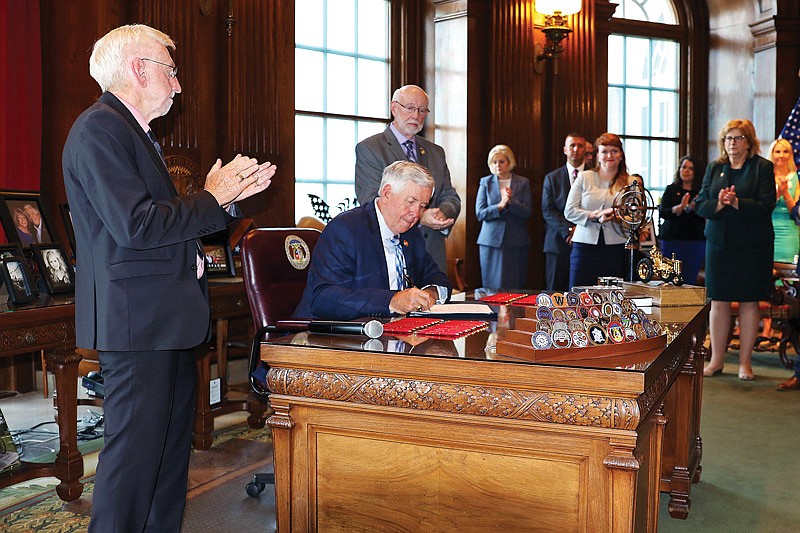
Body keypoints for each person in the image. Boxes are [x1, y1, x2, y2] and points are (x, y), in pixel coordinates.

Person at [61, 24, 276, 532]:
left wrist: (221, 199)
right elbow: (137, 226)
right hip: (138, 327)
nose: (178, 85)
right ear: (138, 68)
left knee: (165, 467)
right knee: (132, 469)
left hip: (166, 322)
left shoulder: (134, 133)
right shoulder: (100, 129)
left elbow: (166, 221)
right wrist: (212, 197)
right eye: (171, 70)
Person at [296, 161, 451, 320]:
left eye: (422, 206)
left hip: (392, 333)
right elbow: (324, 298)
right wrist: (391, 301)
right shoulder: (345, 229)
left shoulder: (411, 234)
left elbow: (436, 277)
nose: (416, 213)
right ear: (387, 193)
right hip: (328, 336)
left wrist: (431, 293)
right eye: (410, 202)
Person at [694, 119, 775, 381]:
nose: (732, 143)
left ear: (749, 142)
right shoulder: (715, 168)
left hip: (752, 246)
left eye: (738, 138)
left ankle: (745, 363)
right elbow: (701, 204)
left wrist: (737, 202)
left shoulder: (762, 167)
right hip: (719, 244)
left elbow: (766, 205)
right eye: (728, 138)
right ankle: (716, 360)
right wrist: (719, 203)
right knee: (719, 301)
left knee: (749, 302)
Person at [355, 85, 461, 273]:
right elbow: (371, 199)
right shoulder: (370, 148)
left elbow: (451, 197)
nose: (416, 115)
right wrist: (421, 216)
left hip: (431, 255)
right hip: (390, 251)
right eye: (410, 108)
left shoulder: (436, 152)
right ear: (394, 108)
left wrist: (440, 214)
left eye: (422, 110)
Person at [564, 133, 631, 288]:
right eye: (604, 151)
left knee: (613, 299)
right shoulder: (584, 177)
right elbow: (569, 211)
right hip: (584, 246)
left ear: (621, 155)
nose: (609, 155)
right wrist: (593, 215)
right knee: (578, 295)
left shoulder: (630, 182)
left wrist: (617, 215)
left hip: (616, 247)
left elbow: (635, 216)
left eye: (614, 151)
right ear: (597, 155)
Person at [475, 145, 532, 289]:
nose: (497, 165)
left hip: (516, 241)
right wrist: (499, 206)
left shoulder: (523, 182)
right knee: (491, 287)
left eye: (501, 161)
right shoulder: (485, 182)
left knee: (515, 285)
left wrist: (510, 202)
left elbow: (527, 212)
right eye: (494, 162)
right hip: (490, 242)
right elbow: (480, 213)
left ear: (510, 162)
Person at [542, 133, 587, 291]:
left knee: (583, 292)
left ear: (586, 149)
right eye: (572, 145)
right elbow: (547, 210)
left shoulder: (593, 177)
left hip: (587, 242)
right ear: (565, 150)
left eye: (580, 146)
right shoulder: (551, 178)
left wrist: (579, 230)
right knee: (555, 293)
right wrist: (569, 230)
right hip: (557, 243)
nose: (576, 149)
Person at [658, 155, 706, 285]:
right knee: (671, 278)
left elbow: (706, 214)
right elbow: (662, 212)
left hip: (695, 240)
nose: (686, 171)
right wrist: (677, 209)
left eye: (691, 168)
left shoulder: (702, 192)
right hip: (672, 239)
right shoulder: (671, 189)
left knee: (689, 279)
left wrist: (693, 209)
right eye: (684, 167)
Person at [768, 138, 799, 263]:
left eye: (785, 151)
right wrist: (777, 194)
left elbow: (795, 212)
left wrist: (785, 193)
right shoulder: (766, 176)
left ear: (791, 154)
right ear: (772, 154)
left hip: (789, 233)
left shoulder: (796, 177)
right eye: (778, 151)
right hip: (768, 231)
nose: (781, 155)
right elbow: (762, 208)